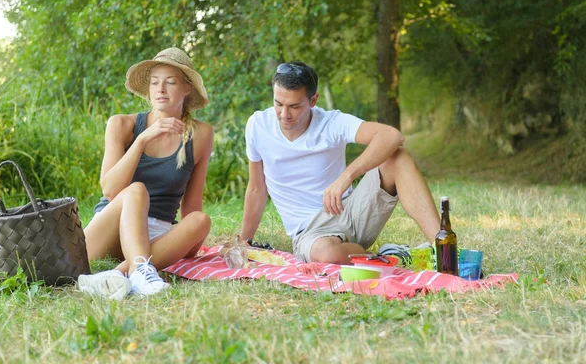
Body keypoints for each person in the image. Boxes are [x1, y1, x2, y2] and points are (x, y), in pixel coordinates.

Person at [240, 61, 440, 264]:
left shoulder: (331, 122)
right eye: (278, 104)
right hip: (310, 233)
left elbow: (392, 136)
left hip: (351, 212)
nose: (284, 114)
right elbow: (256, 189)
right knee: (328, 254)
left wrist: (346, 177)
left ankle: (443, 249)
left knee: (399, 157)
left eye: (294, 106)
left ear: (313, 100)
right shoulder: (257, 126)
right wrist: (243, 242)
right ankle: (387, 257)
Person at [78, 47, 214, 299]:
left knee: (201, 220)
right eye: (154, 83)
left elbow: (192, 206)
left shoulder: (201, 134)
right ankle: (141, 268)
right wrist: (142, 140)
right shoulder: (122, 125)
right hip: (110, 227)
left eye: (170, 82)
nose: (160, 89)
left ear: (187, 89)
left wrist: (190, 241)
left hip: (156, 233)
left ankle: (119, 274)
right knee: (136, 190)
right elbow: (109, 190)